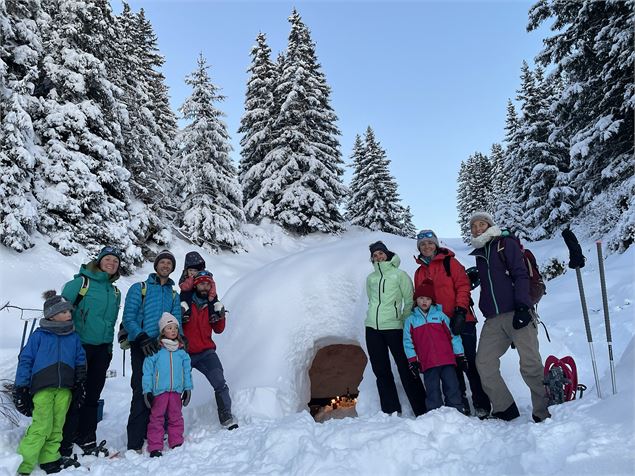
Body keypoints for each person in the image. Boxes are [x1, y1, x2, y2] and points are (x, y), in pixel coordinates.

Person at [468, 211, 550, 422]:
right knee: (484, 362)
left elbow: (520, 274)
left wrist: (523, 307)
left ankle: (544, 411)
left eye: (481, 224)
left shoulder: (505, 244)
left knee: (530, 363)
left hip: (518, 311)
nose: (477, 228)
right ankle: (505, 408)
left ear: (489, 225)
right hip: (494, 318)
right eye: (474, 226)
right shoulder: (480, 253)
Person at [413, 229, 491, 418]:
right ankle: (461, 403)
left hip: (461, 320)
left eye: (430, 243)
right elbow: (420, 298)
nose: (426, 247)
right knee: (452, 365)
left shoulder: (450, 262)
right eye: (422, 244)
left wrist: (460, 311)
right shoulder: (419, 272)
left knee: (470, 362)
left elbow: (463, 286)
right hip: (438, 326)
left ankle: (482, 403)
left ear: (436, 244)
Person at [59, 246, 122, 457]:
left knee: (93, 396)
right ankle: (64, 441)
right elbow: (58, 313)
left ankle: (87, 439)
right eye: (108, 259)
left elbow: (111, 322)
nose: (111, 263)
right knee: (75, 395)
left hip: (102, 350)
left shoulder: (115, 292)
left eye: (115, 261)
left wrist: (110, 349)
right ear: (99, 260)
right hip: (79, 347)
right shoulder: (80, 283)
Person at [13, 291, 86, 474]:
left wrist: (79, 383)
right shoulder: (39, 336)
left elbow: (80, 360)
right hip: (42, 389)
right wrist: (21, 386)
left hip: (65, 390)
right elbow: (26, 360)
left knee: (57, 426)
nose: (69, 315)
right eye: (64, 312)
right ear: (52, 315)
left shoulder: (73, 337)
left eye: (69, 311)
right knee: (41, 426)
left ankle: (49, 458)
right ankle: (23, 463)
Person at [122, 250, 182, 452]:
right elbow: (128, 318)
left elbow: (176, 321)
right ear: (156, 266)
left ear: (172, 268)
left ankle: (155, 433)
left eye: (169, 263)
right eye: (162, 262)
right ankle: (135, 442)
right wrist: (141, 337)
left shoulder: (174, 294)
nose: (165, 266)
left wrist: (179, 341)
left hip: (164, 348)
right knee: (141, 390)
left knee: (161, 390)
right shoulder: (140, 288)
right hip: (142, 347)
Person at [365, 241, 427, 417]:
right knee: (381, 369)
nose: (378, 257)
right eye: (375, 255)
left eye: (381, 253)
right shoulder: (371, 278)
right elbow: (371, 300)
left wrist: (404, 321)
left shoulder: (400, 275)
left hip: (394, 327)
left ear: (387, 254)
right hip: (372, 328)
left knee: (406, 367)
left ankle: (421, 408)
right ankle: (390, 410)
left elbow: (409, 300)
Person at [180, 270, 238, 430]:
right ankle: (169, 422)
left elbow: (219, 329)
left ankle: (226, 415)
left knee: (219, 382)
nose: (204, 286)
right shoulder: (185, 303)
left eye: (207, 284)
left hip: (206, 352)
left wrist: (221, 316)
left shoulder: (212, 305)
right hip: (184, 353)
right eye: (201, 283)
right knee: (175, 387)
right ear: (196, 284)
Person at [403, 280, 465, 412]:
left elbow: (453, 336)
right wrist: (413, 361)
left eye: (428, 299)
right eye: (421, 298)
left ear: (432, 301)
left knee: (452, 387)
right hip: (428, 362)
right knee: (432, 390)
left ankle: (457, 411)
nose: (424, 301)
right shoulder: (411, 321)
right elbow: (408, 343)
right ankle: (434, 414)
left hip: (447, 360)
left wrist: (459, 355)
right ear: (416, 300)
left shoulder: (440, 316)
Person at [142, 313, 193, 457]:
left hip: (176, 391)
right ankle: (155, 446)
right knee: (157, 418)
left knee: (176, 416)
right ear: (163, 331)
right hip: (160, 391)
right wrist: (147, 390)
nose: (173, 331)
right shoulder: (156, 351)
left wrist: (188, 388)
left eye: (175, 328)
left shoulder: (182, 352)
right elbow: (147, 372)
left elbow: (187, 371)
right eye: (169, 328)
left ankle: (176, 441)